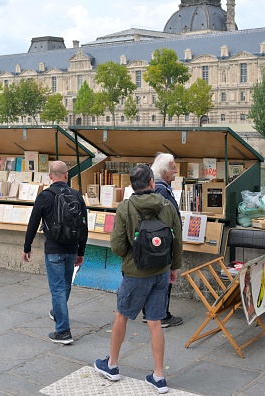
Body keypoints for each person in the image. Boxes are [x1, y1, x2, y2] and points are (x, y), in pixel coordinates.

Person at [94, 164, 182, 394]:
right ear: (152, 182)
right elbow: (177, 239)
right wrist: (174, 267)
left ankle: (112, 365)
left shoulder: (125, 207)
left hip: (135, 272)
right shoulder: (167, 206)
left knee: (121, 315)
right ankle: (159, 376)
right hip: (161, 271)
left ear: (132, 185)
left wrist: (130, 255)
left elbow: (117, 245)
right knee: (155, 322)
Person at [22, 161, 87, 345]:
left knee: (57, 288)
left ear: (50, 176)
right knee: (65, 285)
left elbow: (33, 223)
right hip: (72, 248)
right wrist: (81, 250)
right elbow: (84, 226)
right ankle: (57, 312)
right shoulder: (76, 195)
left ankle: (63, 331)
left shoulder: (45, 196)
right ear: (66, 175)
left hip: (53, 249)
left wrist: (27, 247)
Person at [144, 152, 184, 327]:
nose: (176, 170)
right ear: (164, 171)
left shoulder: (159, 187)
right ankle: (161, 315)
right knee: (163, 281)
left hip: (159, 241)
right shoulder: (161, 189)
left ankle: (152, 313)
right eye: (173, 168)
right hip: (163, 242)